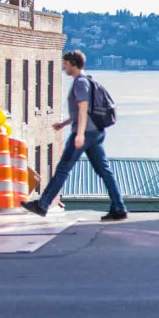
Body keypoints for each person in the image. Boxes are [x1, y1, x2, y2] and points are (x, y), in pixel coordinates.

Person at [22, 50, 128, 221]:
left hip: (85, 133)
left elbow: (84, 107)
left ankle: (43, 204)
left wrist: (79, 134)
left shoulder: (80, 82)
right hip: (95, 133)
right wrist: (64, 124)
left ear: (73, 64)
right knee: (105, 171)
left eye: (65, 64)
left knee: (63, 168)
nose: (64, 67)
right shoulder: (89, 80)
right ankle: (119, 207)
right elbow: (81, 110)